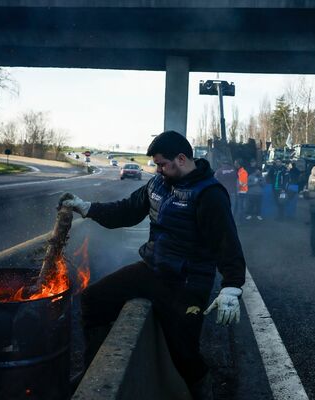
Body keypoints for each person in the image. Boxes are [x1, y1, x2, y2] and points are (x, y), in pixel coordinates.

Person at [59, 131, 246, 398]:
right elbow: (126, 210)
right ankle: (92, 369)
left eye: (161, 164)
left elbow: (227, 243)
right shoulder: (158, 184)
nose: (157, 170)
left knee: (184, 353)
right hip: (152, 271)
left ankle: (202, 391)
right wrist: (86, 207)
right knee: (93, 300)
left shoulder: (209, 194)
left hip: (187, 283)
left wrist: (231, 288)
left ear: (181, 159)